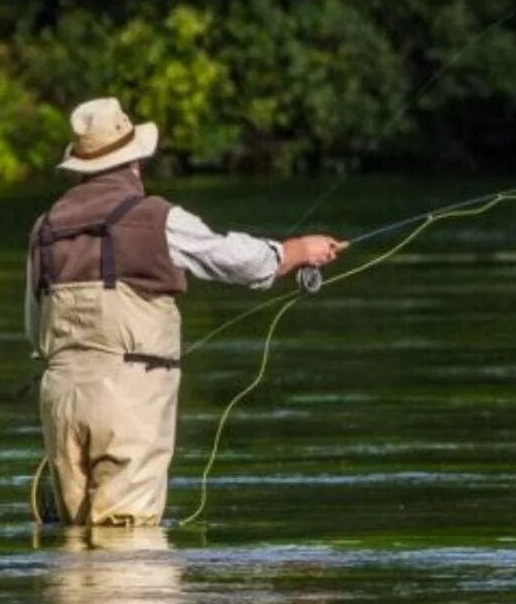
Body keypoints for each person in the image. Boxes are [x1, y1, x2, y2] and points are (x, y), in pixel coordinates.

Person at [26, 97, 344, 526]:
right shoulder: (155, 218)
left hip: (60, 399)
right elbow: (229, 256)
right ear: (135, 162)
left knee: (75, 538)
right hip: (129, 400)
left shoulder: (45, 228)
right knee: (127, 538)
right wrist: (294, 252)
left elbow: (34, 327)